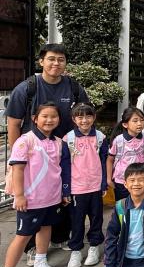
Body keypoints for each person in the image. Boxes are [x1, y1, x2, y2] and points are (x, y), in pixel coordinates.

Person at [5, 43, 89, 254]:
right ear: (41, 61)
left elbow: (84, 115)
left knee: (62, 194)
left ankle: (59, 237)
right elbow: (13, 124)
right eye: (51, 59)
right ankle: (32, 247)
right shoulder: (26, 88)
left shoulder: (74, 88)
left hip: (64, 153)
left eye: (61, 60)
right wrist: (16, 158)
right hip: (33, 156)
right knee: (32, 200)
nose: (56, 63)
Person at [0, 103, 70, 267]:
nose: (49, 120)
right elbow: (18, 169)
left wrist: (63, 193)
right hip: (30, 199)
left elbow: (59, 170)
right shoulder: (26, 141)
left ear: (59, 120)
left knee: (46, 228)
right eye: (45, 116)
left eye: (53, 116)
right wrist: (19, 195)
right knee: (23, 236)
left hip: (51, 197)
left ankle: (40, 262)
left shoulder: (58, 142)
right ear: (35, 119)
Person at [61, 103, 108, 267]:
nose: (84, 120)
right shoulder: (68, 139)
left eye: (88, 116)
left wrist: (104, 183)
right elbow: (64, 165)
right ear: (74, 119)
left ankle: (94, 246)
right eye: (80, 117)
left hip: (95, 186)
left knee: (96, 218)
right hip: (77, 187)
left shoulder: (100, 137)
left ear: (94, 117)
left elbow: (104, 162)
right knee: (77, 220)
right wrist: (65, 189)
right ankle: (76, 250)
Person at [106, 107, 144, 201]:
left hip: (141, 180)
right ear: (125, 124)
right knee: (123, 206)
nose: (139, 123)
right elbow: (110, 160)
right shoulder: (119, 140)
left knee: (140, 206)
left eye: (142, 120)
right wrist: (109, 179)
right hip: (122, 181)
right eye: (135, 121)